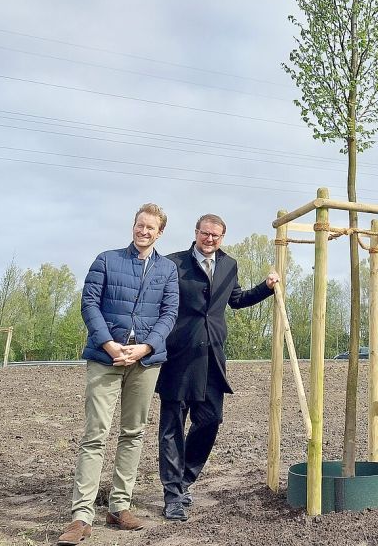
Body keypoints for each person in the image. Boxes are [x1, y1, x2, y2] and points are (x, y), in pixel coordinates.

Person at [58, 203, 180, 546]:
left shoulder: (167, 270)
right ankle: (81, 516)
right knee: (95, 434)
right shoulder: (107, 260)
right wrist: (110, 345)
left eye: (150, 228)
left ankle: (119, 506)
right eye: (140, 225)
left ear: (160, 233)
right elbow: (89, 304)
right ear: (133, 226)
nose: (143, 231)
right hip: (105, 359)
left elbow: (169, 313)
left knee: (133, 433)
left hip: (145, 362)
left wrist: (146, 348)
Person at [156, 213, 279, 521]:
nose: (209, 239)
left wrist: (266, 286)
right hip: (178, 355)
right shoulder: (173, 263)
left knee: (210, 420)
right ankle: (172, 495)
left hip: (212, 358)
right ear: (196, 233)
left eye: (216, 235)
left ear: (222, 237)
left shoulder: (229, 265)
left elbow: (235, 299)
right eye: (205, 233)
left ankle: (185, 480)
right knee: (172, 427)